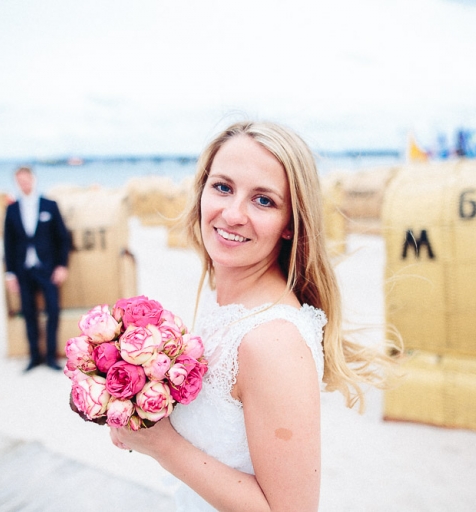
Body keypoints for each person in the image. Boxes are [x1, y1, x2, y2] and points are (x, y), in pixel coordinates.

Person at [109, 121, 399, 511]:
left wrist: (161, 444)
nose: (232, 214)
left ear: (290, 225)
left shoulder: (272, 342)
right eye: (223, 187)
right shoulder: (229, 301)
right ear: (202, 190)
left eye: (263, 200)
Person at [4, 166, 70, 372]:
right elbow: (8, 243)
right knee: (28, 313)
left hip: (47, 268)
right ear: (16, 183)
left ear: (33, 179)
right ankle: (34, 356)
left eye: (26, 179)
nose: (24, 183)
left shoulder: (50, 205)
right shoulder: (12, 209)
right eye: (20, 180)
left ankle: (51, 357)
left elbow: (63, 238)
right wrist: (10, 273)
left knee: (53, 310)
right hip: (24, 270)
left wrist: (62, 266)